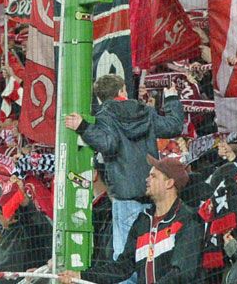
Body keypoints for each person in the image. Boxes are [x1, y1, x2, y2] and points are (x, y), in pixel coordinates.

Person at [66, 74, 187, 257]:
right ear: (122, 90)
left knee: (124, 255)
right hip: (152, 194)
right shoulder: (145, 111)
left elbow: (108, 144)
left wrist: (84, 127)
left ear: (100, 98)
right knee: (150, 252)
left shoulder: (104, 116)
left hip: (125, 196)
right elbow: (173, 126)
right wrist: (171, 99)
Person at [66, 157, 207, 284]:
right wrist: (81, 276)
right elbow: (122, 267)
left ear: (169, 183)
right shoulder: (143, 221)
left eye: (153, 176)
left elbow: (182, 273)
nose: (147, 179)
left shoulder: (188, 220)